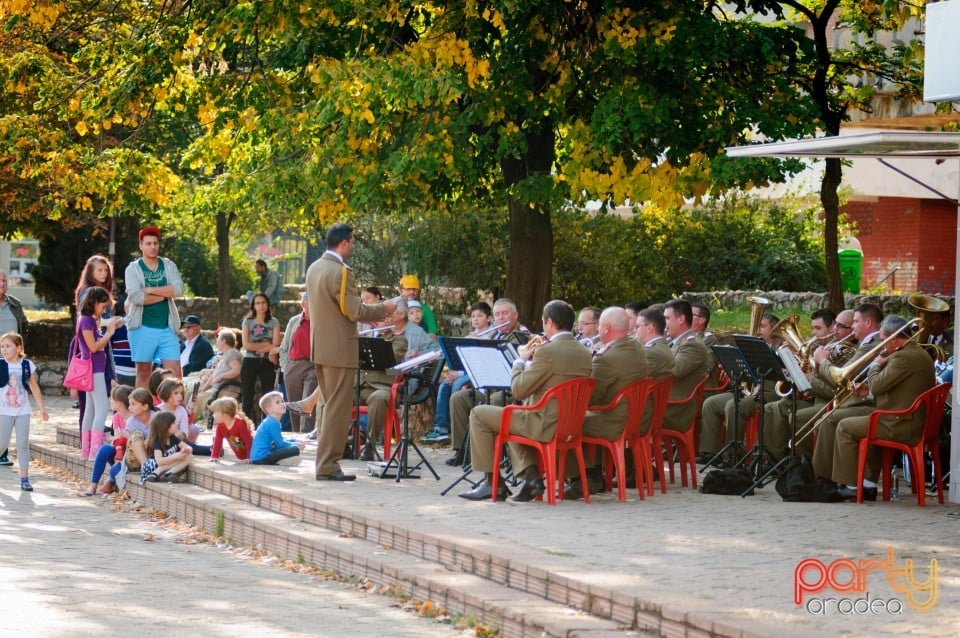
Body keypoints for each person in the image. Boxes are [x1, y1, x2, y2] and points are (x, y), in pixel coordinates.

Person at [459, 300, 593, 502]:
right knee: (512, 415)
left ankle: (492, 482)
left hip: (544, 424)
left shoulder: (548, 351)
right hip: (571, 423)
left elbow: (519, 389)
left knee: (479, 414)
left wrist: (520, 361)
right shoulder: (583, 351)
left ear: (548, 322)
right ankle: (531, 479)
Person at [305, 223, 394, 481]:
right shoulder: (341, 272)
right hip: (340, 350)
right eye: (352, 241)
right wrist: (385, 308)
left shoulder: (314, 268)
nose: (353, 246)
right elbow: (355, 311)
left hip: (320, 347)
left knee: (325, 405)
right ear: (343, 243)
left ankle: (324, 462)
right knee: (337, 409)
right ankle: (328, 465)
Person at [831, 315, 936, 500]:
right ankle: (869, 484)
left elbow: (878, 384)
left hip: (900, 424)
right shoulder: (918, 353)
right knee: (866, 420)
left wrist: (875, 365)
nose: (881, 343)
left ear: (894, 338)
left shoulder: (902, 357)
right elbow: (900, 388)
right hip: (910, 420)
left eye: (883, 338)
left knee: (845, 427)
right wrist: (868, 391)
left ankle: (852, 486)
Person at [564, 307, 648, 500]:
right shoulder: (636, 349)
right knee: (579, 417)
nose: (599, 329)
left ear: (607, 328)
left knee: (567, 422)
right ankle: (592, 471)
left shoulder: (606, 358)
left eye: (600, 325)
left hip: (613, 421)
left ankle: (583, 477)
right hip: (633, 418)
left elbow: (590, 398)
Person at [445, 298, 529, 466]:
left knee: (496, 400)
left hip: (510, 389)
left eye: (505, 313)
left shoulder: (523, 335)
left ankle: (496, 453)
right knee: (458, 398)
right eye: (497, 315)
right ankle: (462, 451)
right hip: (488, 386)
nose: (501, 318)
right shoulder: (495, 334)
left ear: (515, 315)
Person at [810, 303, 884, 482]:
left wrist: (822, 361)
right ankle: (823, 474)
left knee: (827, 420)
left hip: (867, 404)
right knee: (822, 421)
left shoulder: (872, 345)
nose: (852, 326)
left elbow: (842, 377)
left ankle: (824, 478)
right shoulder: (865, 343)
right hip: (857, 401)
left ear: (868, 323)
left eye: (856, 321)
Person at [696, 311, 780, 463]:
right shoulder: (752, 345)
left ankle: (733, 455)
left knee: (733, 407)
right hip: (747, 390)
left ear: (774, 329)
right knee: (711, 403)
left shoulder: (780, 347)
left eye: (762, 326)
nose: (758, 330)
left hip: (765, 394)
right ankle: (710, 452)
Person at [421, 301, 492, 444]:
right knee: (444, 384)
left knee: (457, 384)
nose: (476, 319)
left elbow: (482, 363)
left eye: (480, 316)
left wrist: (458, 374)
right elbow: (462, 362)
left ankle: (456, 430)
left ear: (489, 318)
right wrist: (455, 372)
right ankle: (441, 428)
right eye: (473, 316)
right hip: (465, 372)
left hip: (479, 375)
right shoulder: (469, 336)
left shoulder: (490, 336)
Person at [124, 226, 184, 388]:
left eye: (155, 243)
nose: (153, 247)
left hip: (167, 327)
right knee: (143, 372)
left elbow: (178, 289)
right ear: (141, 245)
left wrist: (151, 290)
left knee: (175, 373)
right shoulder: (133, 269)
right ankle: (142, 410)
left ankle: (178, 412)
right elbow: (136, 297)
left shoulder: (168, 265)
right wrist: (165, 293)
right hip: (142, 327)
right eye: (148, 243)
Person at [75, 286, 122, 459]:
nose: (104, 310)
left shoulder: (90, 320)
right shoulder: (86, 320)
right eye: (103, 306)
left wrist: (110, 326)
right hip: (93, 369)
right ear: (94, 303)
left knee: (91, 408)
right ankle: (94, 450)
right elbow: (93, 347)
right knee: (102, 407)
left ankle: (87, 450)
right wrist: (109, 333)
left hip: (96, 369)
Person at [0, 332, 48, 491]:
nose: (4, 350)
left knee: (22, 444)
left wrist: (42, 408)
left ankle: (25, 479)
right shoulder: (0, 364)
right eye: (2, 346)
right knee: (2, 444)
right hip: (3, 412)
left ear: (18, 347)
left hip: (23, 411)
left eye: (8, 346)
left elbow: (34, 387)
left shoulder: (27, 365)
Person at [662, 299, 709, 433]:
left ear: (681, 319)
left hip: (676, 410)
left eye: (667, 318)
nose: (664, 323)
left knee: (626, 414)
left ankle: (630, 454)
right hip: (665, 404)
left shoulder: (692, 345)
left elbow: (673, 372)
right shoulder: (676, 342)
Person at [81, 384, 133, 496]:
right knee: (104, 449)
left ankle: (111, 481)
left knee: (114, 471)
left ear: (119, 403)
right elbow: (117, 439)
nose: (110, 401)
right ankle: (93, 486)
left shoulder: (133, 418)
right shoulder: (117, 417)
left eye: (112, 399)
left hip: (130, 456)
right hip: (119, 453)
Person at [278, 293, 317, 434]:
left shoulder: (321, 321)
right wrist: (286, 367)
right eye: (309, 302)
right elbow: (284, 347)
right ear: (303, 304)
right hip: (294, 366)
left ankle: (307, 433)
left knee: (308, 399)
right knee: (294, 404)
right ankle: (297, 435)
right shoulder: (294, 321)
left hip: (314, 365)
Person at [0, 270, 28, 467]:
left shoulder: (14, 304)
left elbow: (24, 326)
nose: (2, 283)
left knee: (8, 405)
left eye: (4, 280)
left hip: (11, 363)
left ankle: (2, 452)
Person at [240, 293, 281, 420]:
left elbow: (276, 344)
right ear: (253, 306)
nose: (261, 305)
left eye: (263, 302)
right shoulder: (248, 322)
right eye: (257, 303)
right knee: (247, 395)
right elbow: (246, 345)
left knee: (268, 396)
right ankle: (247, 424)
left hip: (267, 361)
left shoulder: (274, 322)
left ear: (268, 304)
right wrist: (266, 345)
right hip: (250, 361)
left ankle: (267, 424)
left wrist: (264, 346)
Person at [250, 391, 305, 465]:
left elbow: (277, 442)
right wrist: (298, 445)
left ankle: (282, 460)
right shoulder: (273, 423)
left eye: (282, 401)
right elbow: (280, 444)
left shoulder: (271, 421)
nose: (282, 404)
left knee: (292, 448)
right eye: (277, 402)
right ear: (269, 409)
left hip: (258, 457)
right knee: (295, 449)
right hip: (262, 458)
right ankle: (282, 461)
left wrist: (293, 440)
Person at [140, 411, 193, 484]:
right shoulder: (158, 441)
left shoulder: (172, 437)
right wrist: (175, 457)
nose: (176, 424)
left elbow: (188, 447)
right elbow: (159, 461)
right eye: (173, 423)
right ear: (166, 427)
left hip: (165, 466)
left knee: (189, 456)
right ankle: (155, 473)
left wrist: (186, 449)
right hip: (152, 467)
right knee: (178, 456)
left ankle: (169, 474)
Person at [209, 397, 254, 463]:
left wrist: (249, 458)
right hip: (241, 457)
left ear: (225, 415)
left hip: (252, 454)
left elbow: (249, 441)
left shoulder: (240, 424)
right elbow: (218, 440)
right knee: (215, 437)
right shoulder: (221, 425)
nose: (213, 415)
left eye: (215, 413)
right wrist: (214, 456)